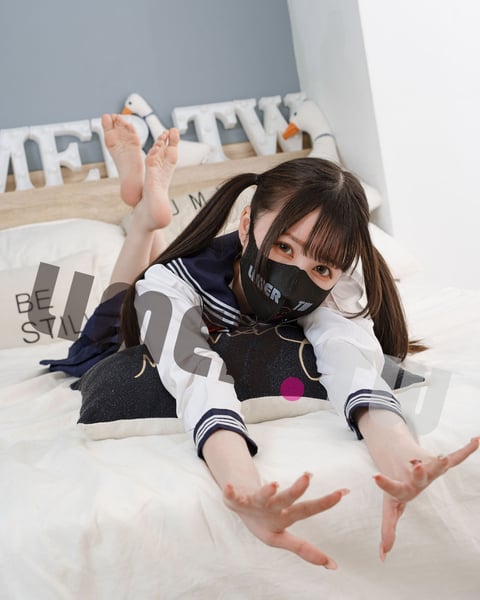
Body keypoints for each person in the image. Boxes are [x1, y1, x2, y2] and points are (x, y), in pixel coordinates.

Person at [43, 114, 479, 569]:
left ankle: (148, 218)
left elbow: (348, 354)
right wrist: (244, 488)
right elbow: (195, 372)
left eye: (320, 267)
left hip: (204, 289)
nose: (297, 273)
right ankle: (144, 222)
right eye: (283, 247)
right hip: (148, 311)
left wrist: (402, 454)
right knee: (128, 300)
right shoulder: (169, 285)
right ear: (247, 222)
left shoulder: (336, 278)